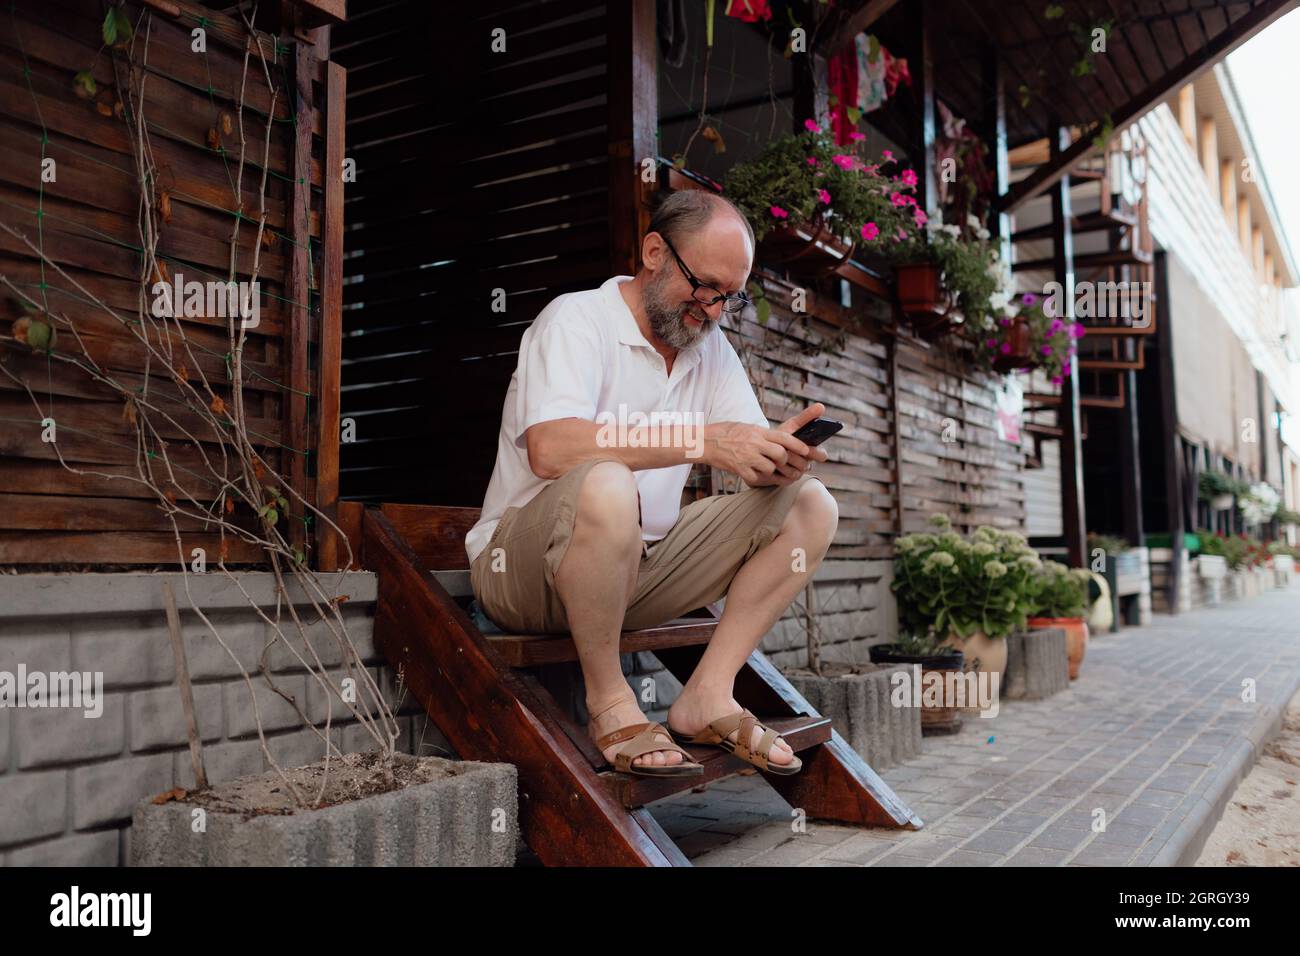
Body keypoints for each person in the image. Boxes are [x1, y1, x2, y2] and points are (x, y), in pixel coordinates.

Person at [465, 189, 839, 777]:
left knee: (809, 505)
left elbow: (742, 440)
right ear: (655, 252)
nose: (714, 311)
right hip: (520, 574)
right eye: (705, 286)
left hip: (635, 571)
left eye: (729, 298)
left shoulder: (710, 349)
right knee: (608, 483)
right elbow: (550, 448)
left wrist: (778, 458)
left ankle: (708, 695)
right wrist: (705, 441)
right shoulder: (577, 320)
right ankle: (611, 701)